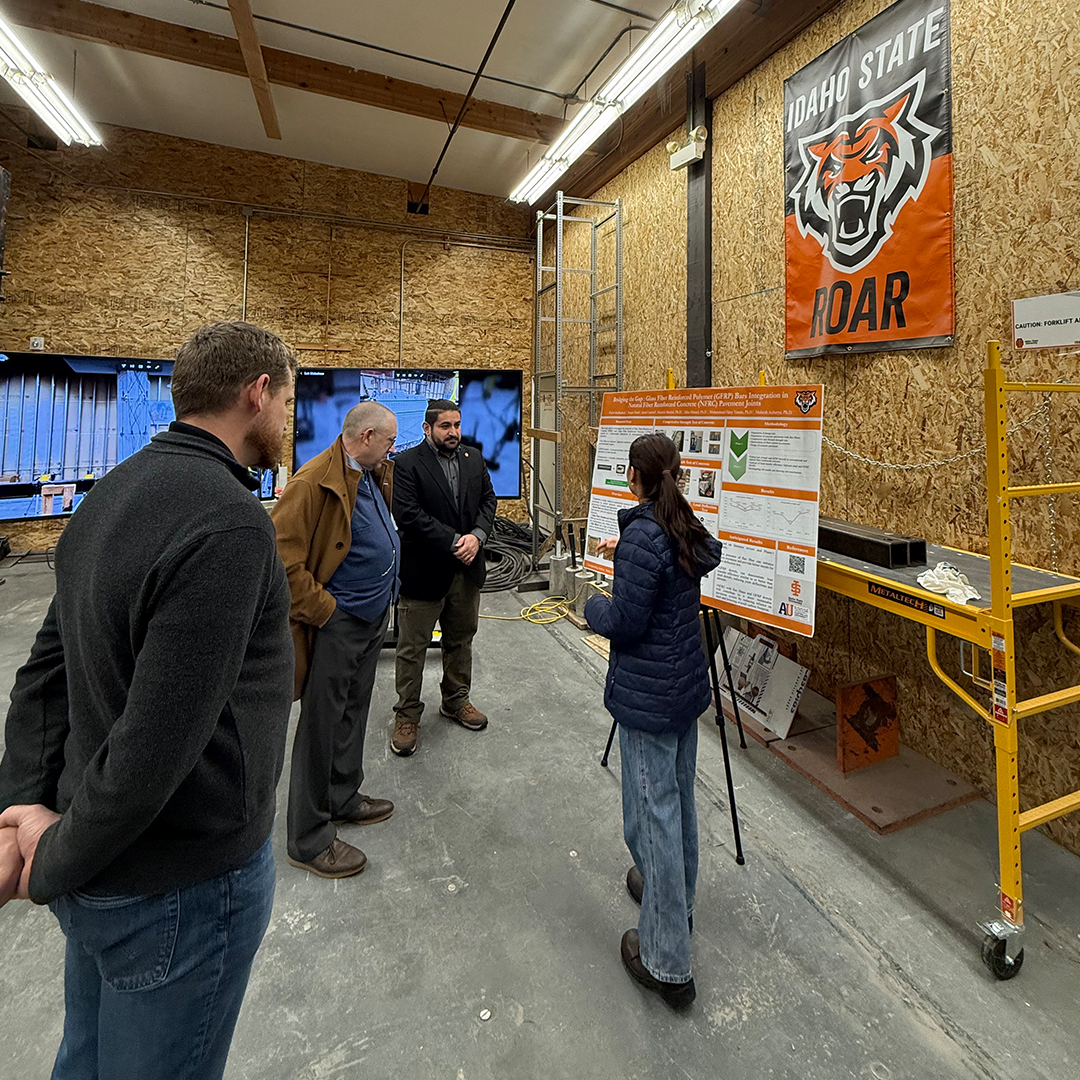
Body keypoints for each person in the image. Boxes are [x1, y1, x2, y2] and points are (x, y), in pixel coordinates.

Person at [0, 321, 297, 1078]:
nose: (290, 421)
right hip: (180, 892)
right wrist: (52, 861)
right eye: (288, 400)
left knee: (86, 1060)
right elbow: (155, 747)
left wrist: (21, 810)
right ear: (256, 393)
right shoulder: (230, 523)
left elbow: (43, 675)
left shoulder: (111, 495)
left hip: (98, 865)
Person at [584, 433, 723, 1010]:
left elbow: (627, 619)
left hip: (649, 696)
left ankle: (667, 962)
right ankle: (674, 901)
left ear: (633, 477)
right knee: (676, 804)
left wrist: (591, 607)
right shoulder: (681, 523)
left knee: (653, 814)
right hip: (683, 688)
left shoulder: (643, 535)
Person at [272, 401, 399, 879]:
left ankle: (342, 796)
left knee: (352, 712)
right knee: (321, 725)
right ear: (365, 437)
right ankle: (307, 838)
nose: (392, 450)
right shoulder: (312, 481)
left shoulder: (368, 470)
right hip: (337, 625)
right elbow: (282, 565)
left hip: (369, 619)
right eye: (388, 441)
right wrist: (328, 611)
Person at [390, 399, 498, 757]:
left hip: (466, 572)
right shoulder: (406, 464)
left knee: (460, 639)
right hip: (424, 573)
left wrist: (477, 537)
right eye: (445, 427)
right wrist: (455, 541)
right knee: (412, 648)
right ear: (427, 428)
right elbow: (408, 515)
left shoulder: (474, 459)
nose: (453, 432)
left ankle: (455, 700)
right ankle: (406, 715)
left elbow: (488, 502)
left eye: (456, 425)